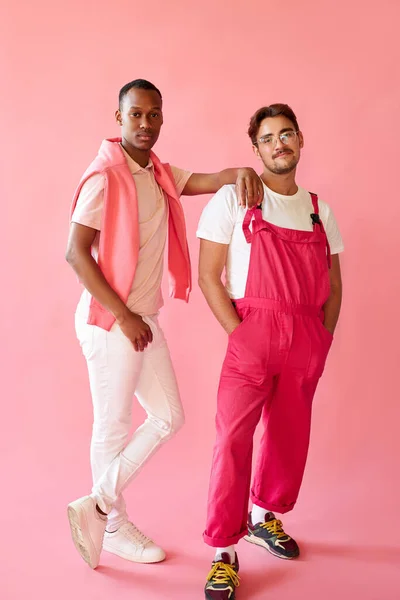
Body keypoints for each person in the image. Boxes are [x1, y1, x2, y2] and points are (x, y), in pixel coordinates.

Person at [65, 79, 263, 570]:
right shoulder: (104, 177)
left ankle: (98, 503)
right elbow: (75, 253)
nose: (146, 124)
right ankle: (111, 527)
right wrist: (125, 314)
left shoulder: (154, 171)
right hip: (110, 320)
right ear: (119, 118)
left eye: (154, 115)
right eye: (136, 115)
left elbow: (198, 180)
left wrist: (234, 173)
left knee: (169, 416)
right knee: (111, 427)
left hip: (140, 318)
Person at [197, 103, 344, 599]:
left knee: (287, 438)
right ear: (255, 148)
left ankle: (264, 516)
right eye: (267, 138)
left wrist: (322, 340)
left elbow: (335, 283)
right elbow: (208, 276)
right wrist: (239, 334)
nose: (278, 144)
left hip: (305, 337)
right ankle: (223, 551)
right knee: (230, 443)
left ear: (300, 140)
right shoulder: (234, 198)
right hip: (252, 333)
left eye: (286, 135)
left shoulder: (319, 208)